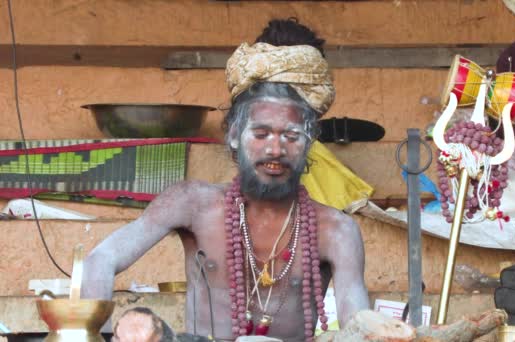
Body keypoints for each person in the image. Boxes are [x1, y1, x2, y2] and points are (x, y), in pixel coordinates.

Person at [82, 19, 370, 342]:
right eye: (260, 134)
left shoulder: (337, 231)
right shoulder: (192, 203)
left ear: (310, 141)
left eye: (291, 135)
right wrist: (94, 336)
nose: (275, 149)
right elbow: (101, 260)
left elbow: (359, 328)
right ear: (233, 135)